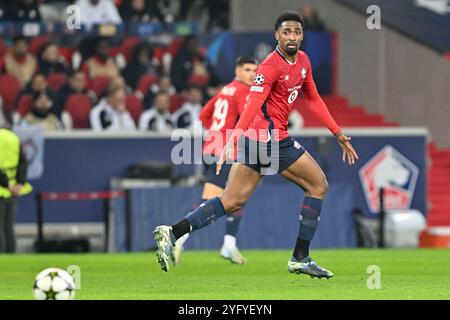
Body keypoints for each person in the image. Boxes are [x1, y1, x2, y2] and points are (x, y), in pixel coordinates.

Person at [153, 11, 359, 277]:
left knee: (232, 200)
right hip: (270, 139)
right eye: (286, 32)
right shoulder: (269, 66)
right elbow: (253, 105)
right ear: (277, 35)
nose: (292, 36)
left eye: (296, 32)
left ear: (302, 35)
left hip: (259, 140)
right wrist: (234, 137)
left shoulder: (303, 61)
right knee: (318, 185)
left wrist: (337, 132)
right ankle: (300, 257)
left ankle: (172, 232)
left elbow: (314, 99)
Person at [171, 56, 257, 266]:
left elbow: (204, 115)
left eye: (255, 70)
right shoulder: (243, 91)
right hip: (227, 151)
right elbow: (248, 120)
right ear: (237, 71)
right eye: (247, 69)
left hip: (212, 147)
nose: (252, 74)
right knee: (219, 198)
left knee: (234, 196)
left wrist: (217, 132)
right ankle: (178, 237)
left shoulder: (224, 91)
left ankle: (228, 243)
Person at [0, 127, 32, 253]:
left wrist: (6, 184)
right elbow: (23, 162)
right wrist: (20, 183)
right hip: (14, 190)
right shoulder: (14, 138)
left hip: (4, 188)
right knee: (9, 227)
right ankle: (11, 256)